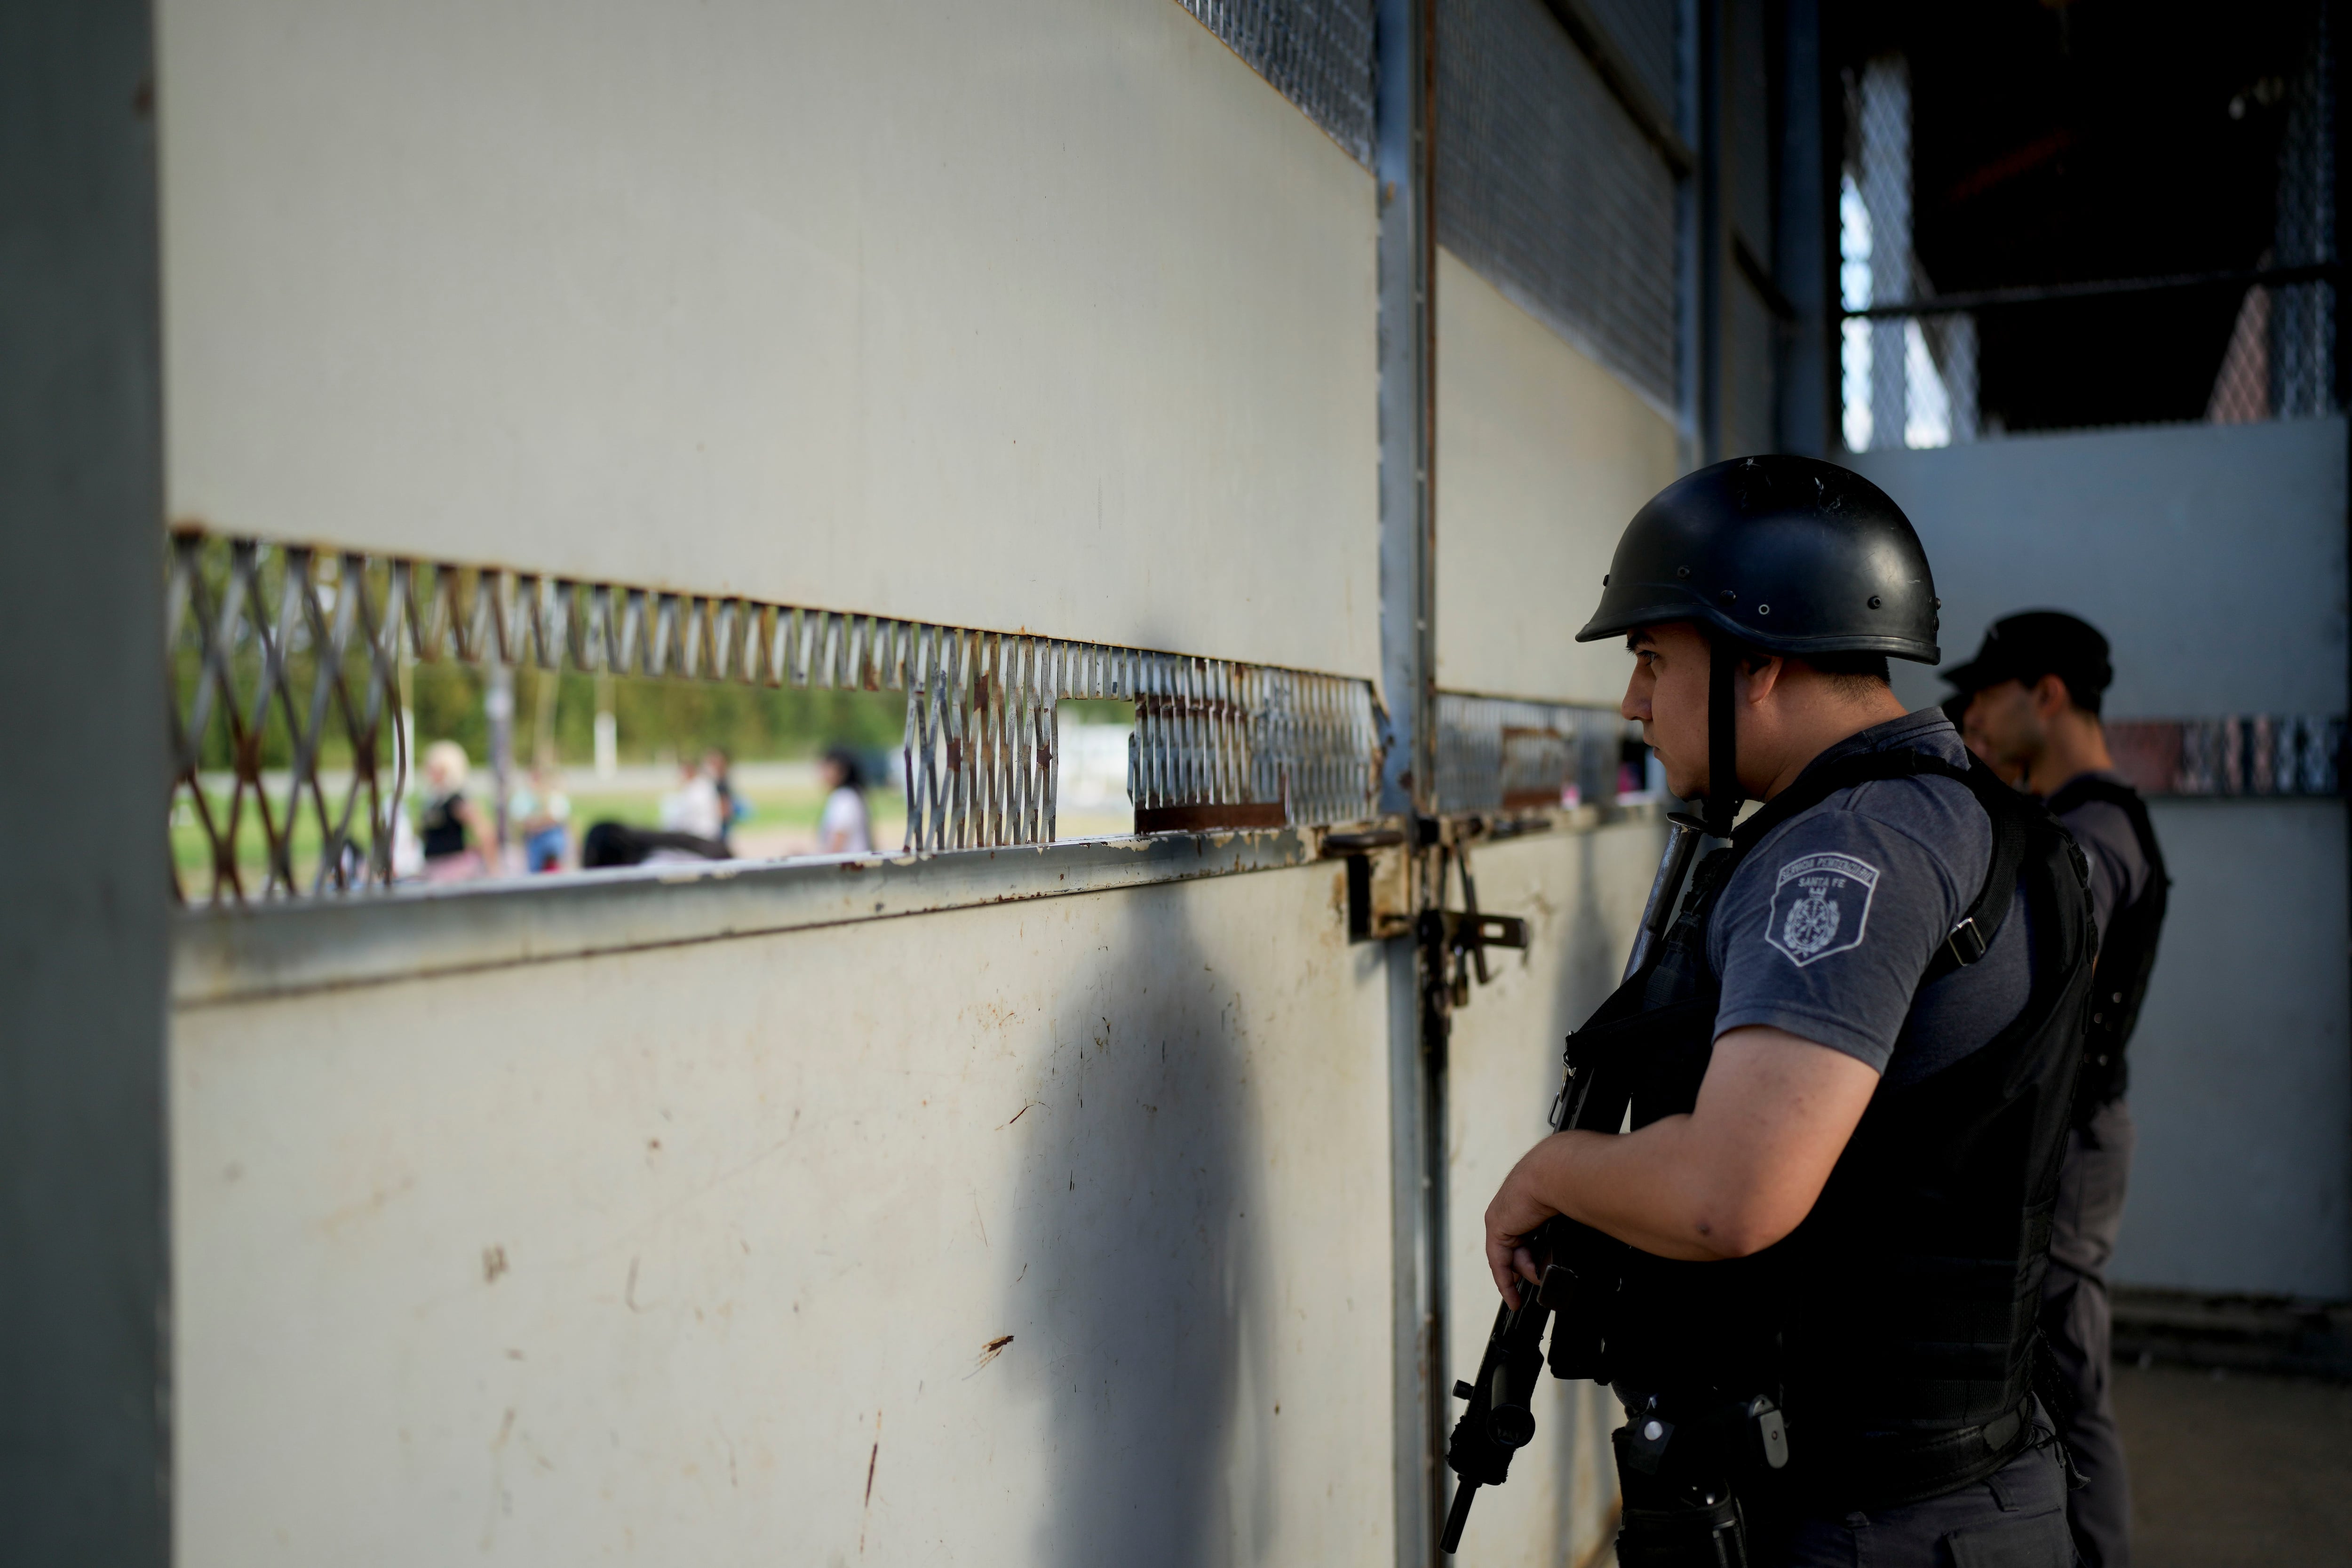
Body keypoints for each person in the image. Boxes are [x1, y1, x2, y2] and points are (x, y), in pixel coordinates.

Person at [1479, 456, 2097, 1566]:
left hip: (1870, 1522)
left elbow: (1735, 1195)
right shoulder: (1978, 823)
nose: (1633, 701)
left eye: (1653, 660)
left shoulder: (1845, 852)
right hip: (1969, 1488)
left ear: (1757, 663)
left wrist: (1549, 1170)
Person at [1944, 611, 2169, 1568]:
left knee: (2071, 1383)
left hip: (2071, 1144)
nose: (1974, 719)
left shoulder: (2094, 830)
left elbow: (2026, 965)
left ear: (2045, 694)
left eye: (1988, 696)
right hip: (2070, 1131)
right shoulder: (2078, 816)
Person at [414, 740, 493, 883]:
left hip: (452, 869)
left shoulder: (456, 799)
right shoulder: (434, 800)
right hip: (434, 866)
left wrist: (492, 870)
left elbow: (483, 830)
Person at [511, 764, 573, 873]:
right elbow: (522, 823)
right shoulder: (522, 797)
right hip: (531, 839)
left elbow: (557, 818)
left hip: (551, 838)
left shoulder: (554, 795)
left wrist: (538, 820)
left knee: (554, 840)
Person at [816, 745, 873, 855]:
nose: (823, 772)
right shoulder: (852, 795)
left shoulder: (844, 799)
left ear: (841, 771)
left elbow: (837, 846)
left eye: (828, 767)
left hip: (848, 868)